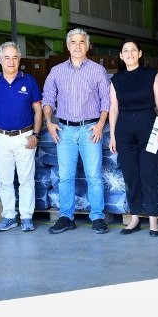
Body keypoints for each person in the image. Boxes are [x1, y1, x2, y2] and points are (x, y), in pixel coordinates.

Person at [43, 28, 111, 235]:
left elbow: (106, 100)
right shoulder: (56, 71)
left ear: (88, 46)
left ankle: (97, 217)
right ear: (67, 45)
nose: (77, 46)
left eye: (82, 42)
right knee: (65, 177)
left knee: (94, 176)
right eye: (73, 42)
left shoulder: (97, 70)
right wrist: (49, 122)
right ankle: (66, 217)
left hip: (90, 129)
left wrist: (100, 124)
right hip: (64, 130)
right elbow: (48, 98)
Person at [109, 39, 158, 236]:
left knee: (149, 172)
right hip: (124, 129)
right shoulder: (116, 80)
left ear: (140, 53)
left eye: (133, 50)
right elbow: (114, 109)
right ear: (121, 55)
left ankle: (153, 218)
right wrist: (112, 135)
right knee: (130, 173)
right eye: (125, 51)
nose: (130, 54)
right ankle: (134, 217)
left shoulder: (152, 75)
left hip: (148, 126)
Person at [0, 41, 43, 232]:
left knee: (26, 180)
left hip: (24, 137)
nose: (11, 62)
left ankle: (26, 217)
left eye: (15, 58)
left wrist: (35, 134)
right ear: (0, 59)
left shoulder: (29, 81)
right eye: (7, 58)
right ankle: (9, 216)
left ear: (20, 59)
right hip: (1, 138)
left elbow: (38, 110)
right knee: (5, 180)